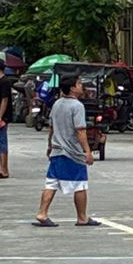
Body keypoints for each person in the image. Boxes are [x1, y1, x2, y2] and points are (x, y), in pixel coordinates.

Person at [32, 76, 99, 228]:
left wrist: (49, 145)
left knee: (51, 183)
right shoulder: (77, 106)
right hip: (72, 152)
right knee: (80, 184)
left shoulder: (56, 104)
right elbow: (80, 131)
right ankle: (82, 217)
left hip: (56, 150)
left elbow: (51, 127)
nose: (81, 86)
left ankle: (42, 213)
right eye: (79, 83)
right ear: (72, 88)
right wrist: (87, 151)